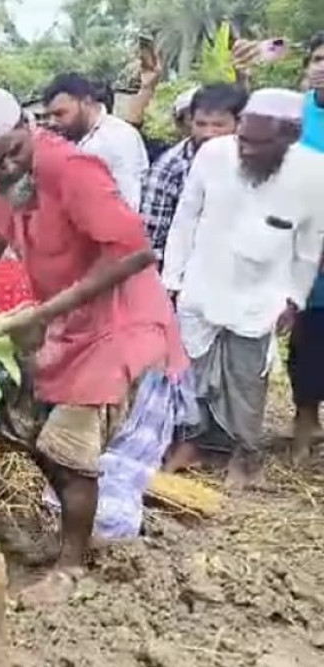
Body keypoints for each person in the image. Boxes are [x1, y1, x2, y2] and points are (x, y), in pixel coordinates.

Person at [0, 88, 186, 605]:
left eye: (12, 155)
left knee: (70, 446)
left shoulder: (74, 170)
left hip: (117, 323)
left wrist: (46, 313)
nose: (7, 170)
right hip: (63, 324)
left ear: (24, 131)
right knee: (26, 428)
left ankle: (71, 566)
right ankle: (66, 534)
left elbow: (134, 253)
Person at [161, 89, 324, 488]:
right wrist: (173, 280)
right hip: (201, 281)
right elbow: (185, 218)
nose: (246, 150)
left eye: (258, 143)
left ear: (290, 135)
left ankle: (245, 457)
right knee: (192, 375)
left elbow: (309, 243)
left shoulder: (314, 172)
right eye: (243, 139)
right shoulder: (215, 155)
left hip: (261, 293)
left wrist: (294, 298)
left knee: (248, 379)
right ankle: (193, 445)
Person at [140, 84, 246, 261]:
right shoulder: (169, 168)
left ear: (239, 124)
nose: (208, 133)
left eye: (218, 125)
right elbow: (152, 240)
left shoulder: (257, 161)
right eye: (201, 124)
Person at [290, 33, 324, 466]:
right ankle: (304, 421)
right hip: (303, 245)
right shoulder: (295, 115)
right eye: (318, 58)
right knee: (308, 335)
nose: (323, 66)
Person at [42, 72, 149, 209]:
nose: (52, 122)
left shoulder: (118, 137)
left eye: (59, 114)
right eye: (49, 116)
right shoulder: (72, 137)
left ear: (86, 102)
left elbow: (128, 203)